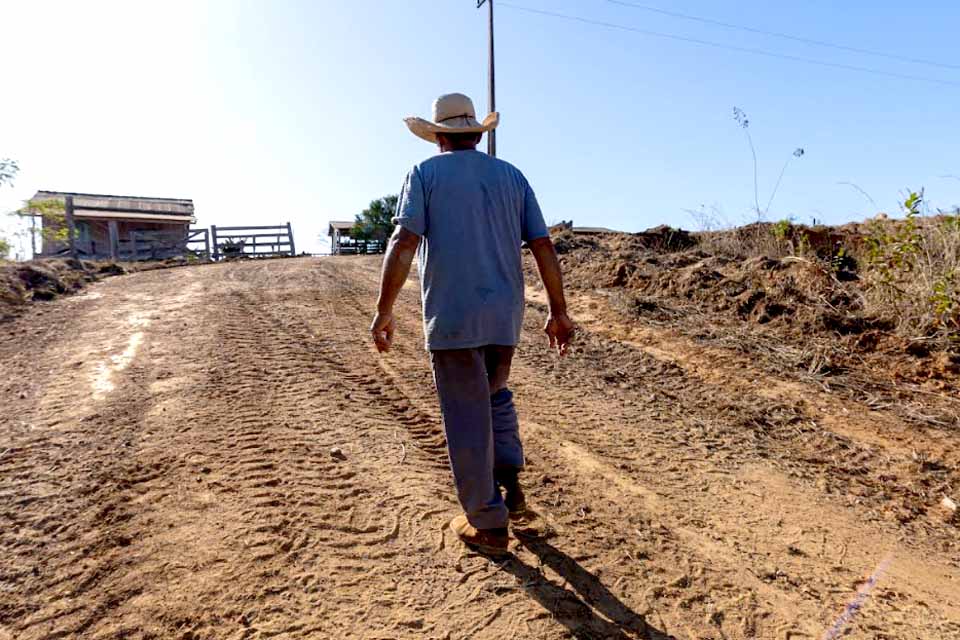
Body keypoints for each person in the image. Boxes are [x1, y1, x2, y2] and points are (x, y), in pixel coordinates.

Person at [370, 92, 574, 556]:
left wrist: (384, 309)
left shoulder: (425, 174)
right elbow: (543, 245)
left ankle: (488, 523)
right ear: (475, 136)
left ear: (438, 136)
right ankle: (512, 491)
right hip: (504, 317)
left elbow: (404, 240)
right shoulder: (512, 177)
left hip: (454, 317)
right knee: (495, 396)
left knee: (466, 417)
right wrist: (558, 312)